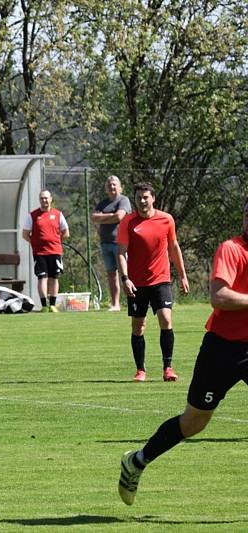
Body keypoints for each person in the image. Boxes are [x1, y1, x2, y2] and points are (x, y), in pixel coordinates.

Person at [118, 196, 248, 506]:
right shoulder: (232, 249)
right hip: (223, 350)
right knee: (194, 423)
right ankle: (136, 461)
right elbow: (219, 296)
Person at [117, 182, 189, 382]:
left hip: (161, 280)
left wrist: (182, 274)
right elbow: (121, 252)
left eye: (145, 197)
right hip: (136, 283)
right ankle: (140, 370)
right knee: (138, 326)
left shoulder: (166, 220)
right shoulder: (128, 222)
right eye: (139, 197)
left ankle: (168, 368)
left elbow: (174, 247)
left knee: (165, 319)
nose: (142, 201)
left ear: (153, 198)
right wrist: (125, 278)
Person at [21, 189, 69, 312]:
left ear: (51, 199)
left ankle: (52, 304)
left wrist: (56, 241)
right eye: (42, 198)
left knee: (54, 277)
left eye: (46, 198)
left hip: (55, 251)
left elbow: (66, 233)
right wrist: (35, 243)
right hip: (40, 253)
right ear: (39, 200)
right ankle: (44, 305)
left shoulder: (58, 214)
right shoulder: (33, 215)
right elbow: (25, 234)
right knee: (42, 278)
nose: (44, 200)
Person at [91, 175, 132, 311]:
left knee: (125, 274)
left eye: (114, 184)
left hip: (121, 243)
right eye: (109, 185)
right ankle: (115, 304)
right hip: (105, 242)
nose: (112, 187)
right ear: (105, 188)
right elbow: (94, 217)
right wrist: (111, 216)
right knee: (111, 274)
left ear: (120, 187)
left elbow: (120, 216)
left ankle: (133, 301)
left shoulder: (123, 200)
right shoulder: (102, 203)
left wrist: (104, 217)